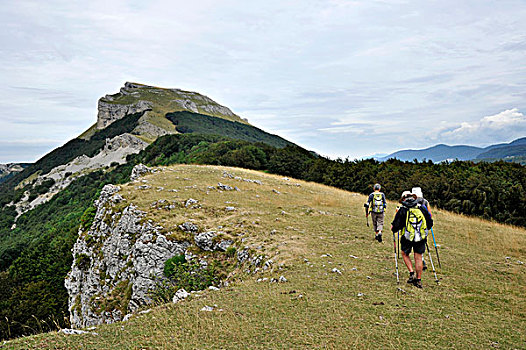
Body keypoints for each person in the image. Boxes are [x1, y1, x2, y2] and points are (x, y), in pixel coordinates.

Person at [391, 191, 433, 288]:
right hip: (420, 237)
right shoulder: (421, 207)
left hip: (407, 237)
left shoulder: (402, 209)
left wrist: (394, 228)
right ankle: (418, 280)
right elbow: (429, 222)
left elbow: (396, 226)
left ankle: (411, 272)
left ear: (403, 199)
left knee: (404, 253)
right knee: (418, 257)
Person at [412, 187, 431, 270]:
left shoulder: (411, 202)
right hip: (423, 227)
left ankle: (420, 260)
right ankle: (421, 259)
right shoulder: (425, 202)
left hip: (412, 226)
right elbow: (429, 215)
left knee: (414, 243)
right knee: (421, 243)